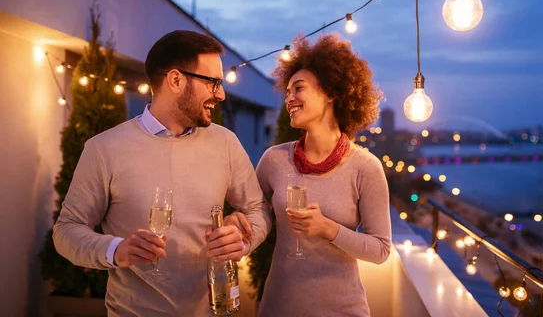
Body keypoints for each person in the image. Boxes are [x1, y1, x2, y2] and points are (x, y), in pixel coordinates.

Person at [53, 30, 271, 316]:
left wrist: (242, 240)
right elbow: (66, 231)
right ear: (176, 80)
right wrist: (116, 250)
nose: (221, 94)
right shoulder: (103, 149)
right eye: (213, 82)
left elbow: (259, 210)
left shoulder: (226, 143)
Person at [232, 33, 392, 316]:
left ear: (330, 92)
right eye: (288, 91)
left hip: (343, 309)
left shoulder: (365, 167)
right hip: (278, 306)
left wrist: (327, 229)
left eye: (299, 89)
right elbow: (257, 215)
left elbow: (380, 249)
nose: (289, 99)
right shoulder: (274, 159)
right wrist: (240, 231)